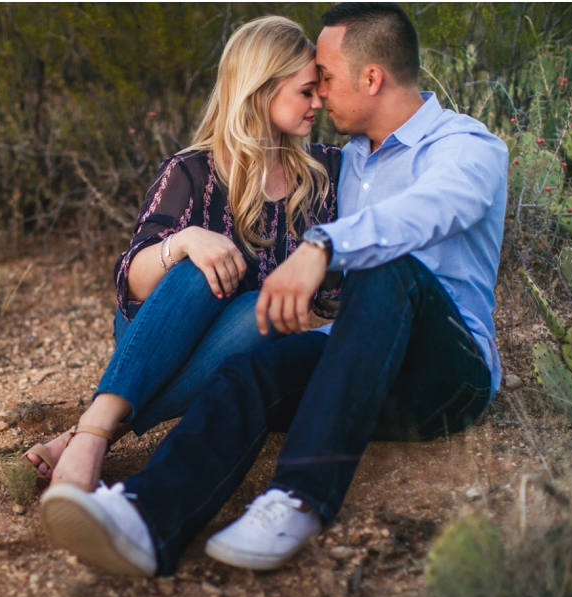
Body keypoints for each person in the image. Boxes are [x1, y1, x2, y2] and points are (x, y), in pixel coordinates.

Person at [40, 2, 508, 577]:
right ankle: (146, 518)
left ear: (371, 78)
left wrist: (324, 246)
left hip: (445, 373)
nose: (320, 96)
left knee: (388, 266)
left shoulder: (467, 147)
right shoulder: (347, 162)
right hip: (351, 367)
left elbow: (435, 208)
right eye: (309, 85)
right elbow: (139, 276)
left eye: (327, 80)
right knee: (254, 368)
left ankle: (299, 497)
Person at [21, 16, 341, 493]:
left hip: (245, 342)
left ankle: (90, 432)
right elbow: (131, 283)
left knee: (263, 311)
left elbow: (335, 292)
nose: (318, 102)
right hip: (159, 329)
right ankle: (93, 435)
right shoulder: (192, 171)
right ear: (259, 90)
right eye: (305, 91)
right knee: (199, 270)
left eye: (318, 90)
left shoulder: (324, 173)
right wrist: (185, 240)